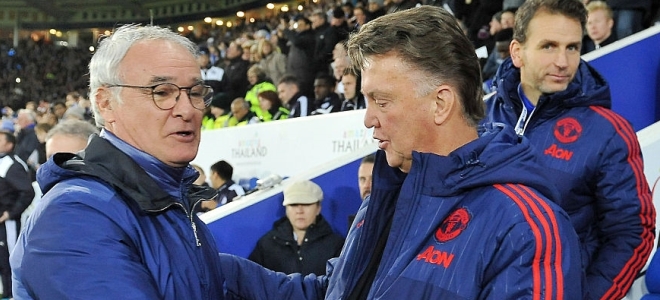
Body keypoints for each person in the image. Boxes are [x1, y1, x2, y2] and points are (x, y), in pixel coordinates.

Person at [217, 6, 583, 299]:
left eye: (381, 100)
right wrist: (214, 268)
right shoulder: (387, 194)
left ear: (441, 104)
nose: (368, 119)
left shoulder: (527, 228)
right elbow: (337, 291)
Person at [10, 24, 227, 299]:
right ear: (106, 103)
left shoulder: (169, 198)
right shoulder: (75, 216)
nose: (187, 110)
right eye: (161, 92)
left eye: (195, 93)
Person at [483, 0, 655, 298]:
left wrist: (586, 295)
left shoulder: (607, 132)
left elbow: (632, 233)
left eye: (572, 47)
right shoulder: (481, 116)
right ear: (517, 52)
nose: (563, 61)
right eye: (549, 46)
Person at [248, 180, 344, 276]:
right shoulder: (266, 245)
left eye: (306, 204)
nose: (299, 210)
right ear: (286, 209)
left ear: (318, 208)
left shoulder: (336, 245)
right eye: (293, 205)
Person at [0, 131, 34, 299]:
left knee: (10, 262)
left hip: (7, 224)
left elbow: (27, 192)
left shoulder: (13, 164)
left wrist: (10, 213)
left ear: (9, 144)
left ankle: (13, 295)